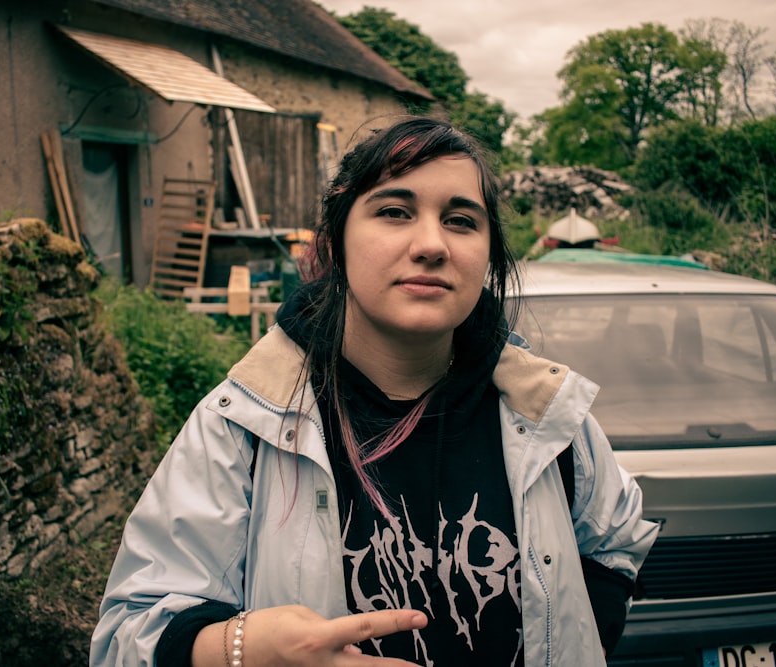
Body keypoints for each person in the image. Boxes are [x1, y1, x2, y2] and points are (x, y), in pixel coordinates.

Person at [90, 116, 658, 667]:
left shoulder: (544, 412)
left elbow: (616, 539)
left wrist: (573, 641)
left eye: (462, 220)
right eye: (394, 211)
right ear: (336, 238)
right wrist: (240, 650)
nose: (432, 244)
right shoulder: (244, 424)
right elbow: (127, 634)